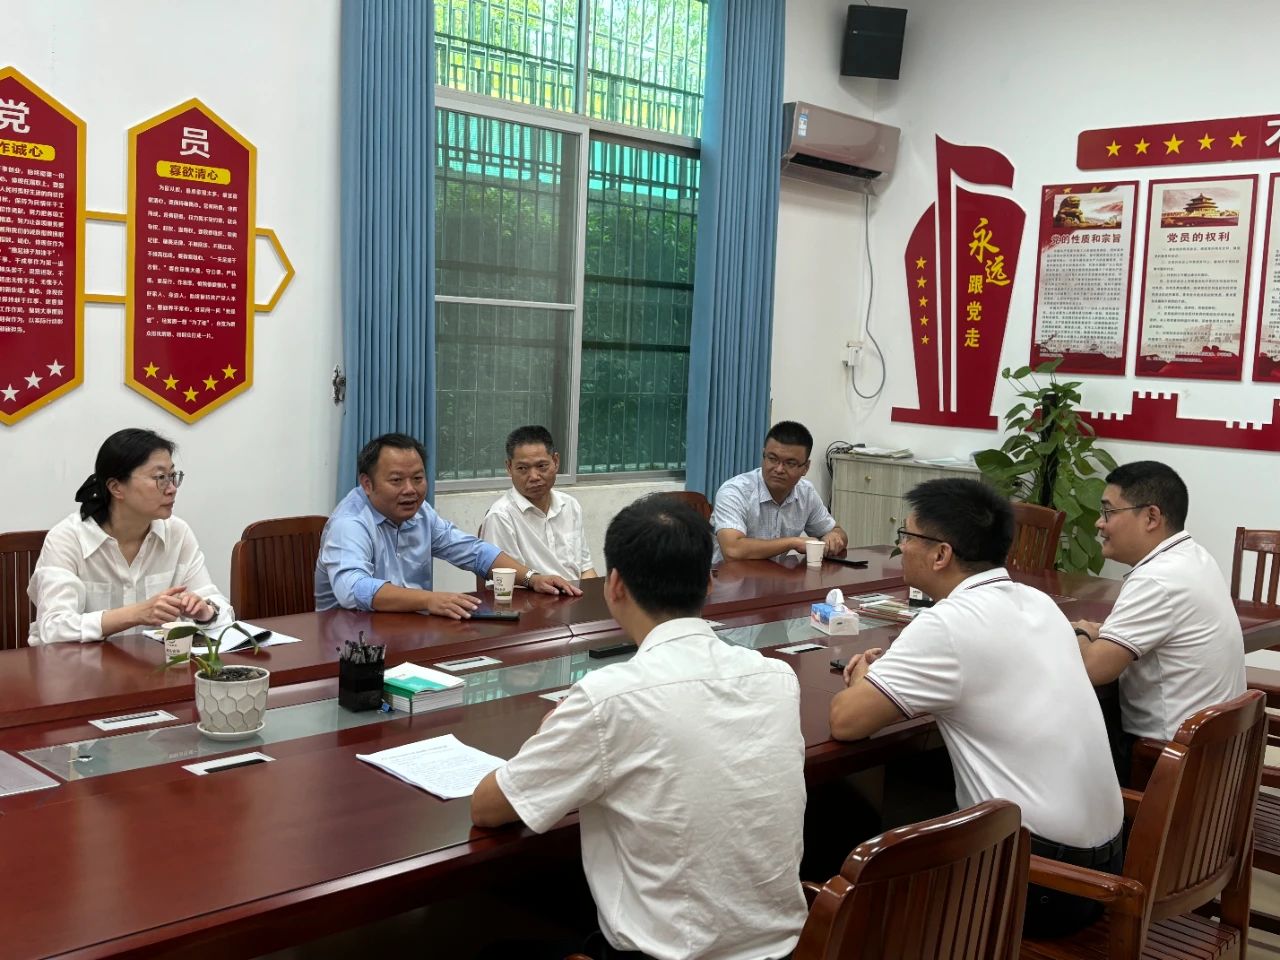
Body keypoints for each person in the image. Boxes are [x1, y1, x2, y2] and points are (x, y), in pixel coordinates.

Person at [471, 496, 807, 960]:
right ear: (709, 583)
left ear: (614, 586)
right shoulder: (777, 677)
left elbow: (489, 808)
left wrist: (553, 732)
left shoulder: (608, 698)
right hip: (787, 950)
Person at [828, 478, 1122, 938]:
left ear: (941, 554)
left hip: (1037, 881)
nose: (901, 547)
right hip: (1103, 867)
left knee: (858, 885)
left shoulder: (949, 624)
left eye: (907, 536)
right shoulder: (1038, 602)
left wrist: (865, 677)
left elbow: (846, 722)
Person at [1071, 461, 1245, 768]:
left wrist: (1081, 632)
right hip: (1215, 755)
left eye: (1108, 512)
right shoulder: (1194, 557)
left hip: (1166, 760)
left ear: (1151, 517)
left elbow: (1093, 668)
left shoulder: (1157, 579)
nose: (1099, 523)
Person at [315, 433, 580, 617]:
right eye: (396, 480)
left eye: (417, 478)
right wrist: (430, 600)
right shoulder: (350, 524)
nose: (410, 490)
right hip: (351, 642)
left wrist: (532, 578)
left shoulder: (421, 514)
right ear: (367, 483)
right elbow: (353, 589)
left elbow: (474, 552)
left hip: (409, 628)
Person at [28, 428, 233, 645]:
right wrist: (136, 614)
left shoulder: (177, 533)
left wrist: (205, 612)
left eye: (173, 476)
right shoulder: (68, 538)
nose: (172, 488)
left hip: (153, 663)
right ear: (116, 488)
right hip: (82, 665)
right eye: (160, 478)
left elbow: (222, 611)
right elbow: (54, 628)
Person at [711, 420, 847, 564]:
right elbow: (732, 550)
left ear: (806, 468)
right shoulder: (735, 491)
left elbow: (838, 532)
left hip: (776, 575)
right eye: (772, 459)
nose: (779, 469)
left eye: (790, 463)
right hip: (726, 576)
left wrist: (834, 537)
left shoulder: (806, 493)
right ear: (763, 456)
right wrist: (793, 542)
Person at [480, 425, 597, 581]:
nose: (534, 476)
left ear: (556, 461)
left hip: (575, 593)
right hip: (532, 596)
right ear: (509, 467)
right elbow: (504, 584)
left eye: (541, 466)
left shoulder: (570, 505)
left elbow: (585, 570)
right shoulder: (501, 517)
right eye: (523, 468)